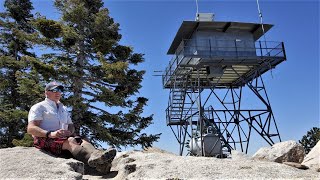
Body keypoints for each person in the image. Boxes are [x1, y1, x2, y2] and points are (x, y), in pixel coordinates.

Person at [27, 81, 116, 173]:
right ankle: (98, 164)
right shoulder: (39, 107)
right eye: (54, 90)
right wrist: (51, 134)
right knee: (70, 141)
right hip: (44, 138)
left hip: (61, 137)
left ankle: (97, 158)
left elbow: (70, 125)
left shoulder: (63, 108)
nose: (58, 92)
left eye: (60, 90)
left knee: (83, 140)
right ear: (46, 93)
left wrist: (69, 132)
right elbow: (31, 129)